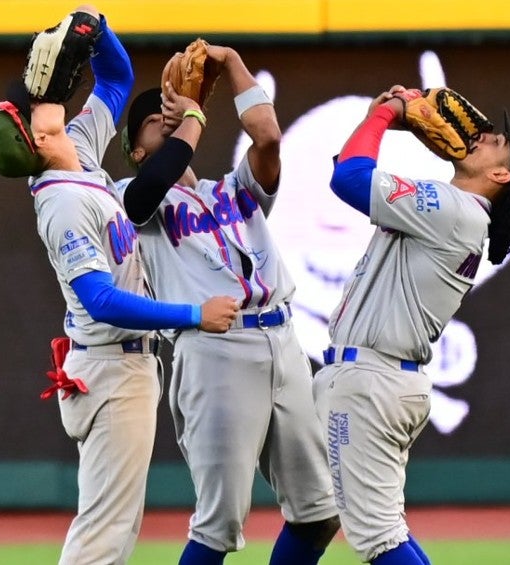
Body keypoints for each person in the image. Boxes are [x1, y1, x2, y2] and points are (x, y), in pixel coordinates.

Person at [0, 7, 240, 564]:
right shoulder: (62, 201)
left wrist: (96, 28)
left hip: (116, 365)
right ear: (38, 136)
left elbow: (118, 78)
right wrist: (193, 314)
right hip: (110, 366)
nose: (37, 94)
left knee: (113, 528)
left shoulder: (78, 149)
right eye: (29, 109)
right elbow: (100, 299)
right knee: (105, 533)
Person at [115, 44, 341, 565]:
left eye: (173, 114)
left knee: (320, 513)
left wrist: (233, 64)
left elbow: (268, 136)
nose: (169, 123)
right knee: (219, 524)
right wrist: (189, 117)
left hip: (283, 343)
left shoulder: (231, 189)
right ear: (137, 150)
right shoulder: (132, 194)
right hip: (215, 350)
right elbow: (143, 195)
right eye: (156, 121)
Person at [311, 85, 510, 564]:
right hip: (379, 379)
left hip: (369, 382)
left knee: (378, 539)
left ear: (502, 173)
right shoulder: (455, 211)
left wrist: (385, 117)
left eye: (498, 142)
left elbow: (349, 179)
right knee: (336, 518)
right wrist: (374, 120)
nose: (484, 137)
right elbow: (357, 167)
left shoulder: (454, 212)